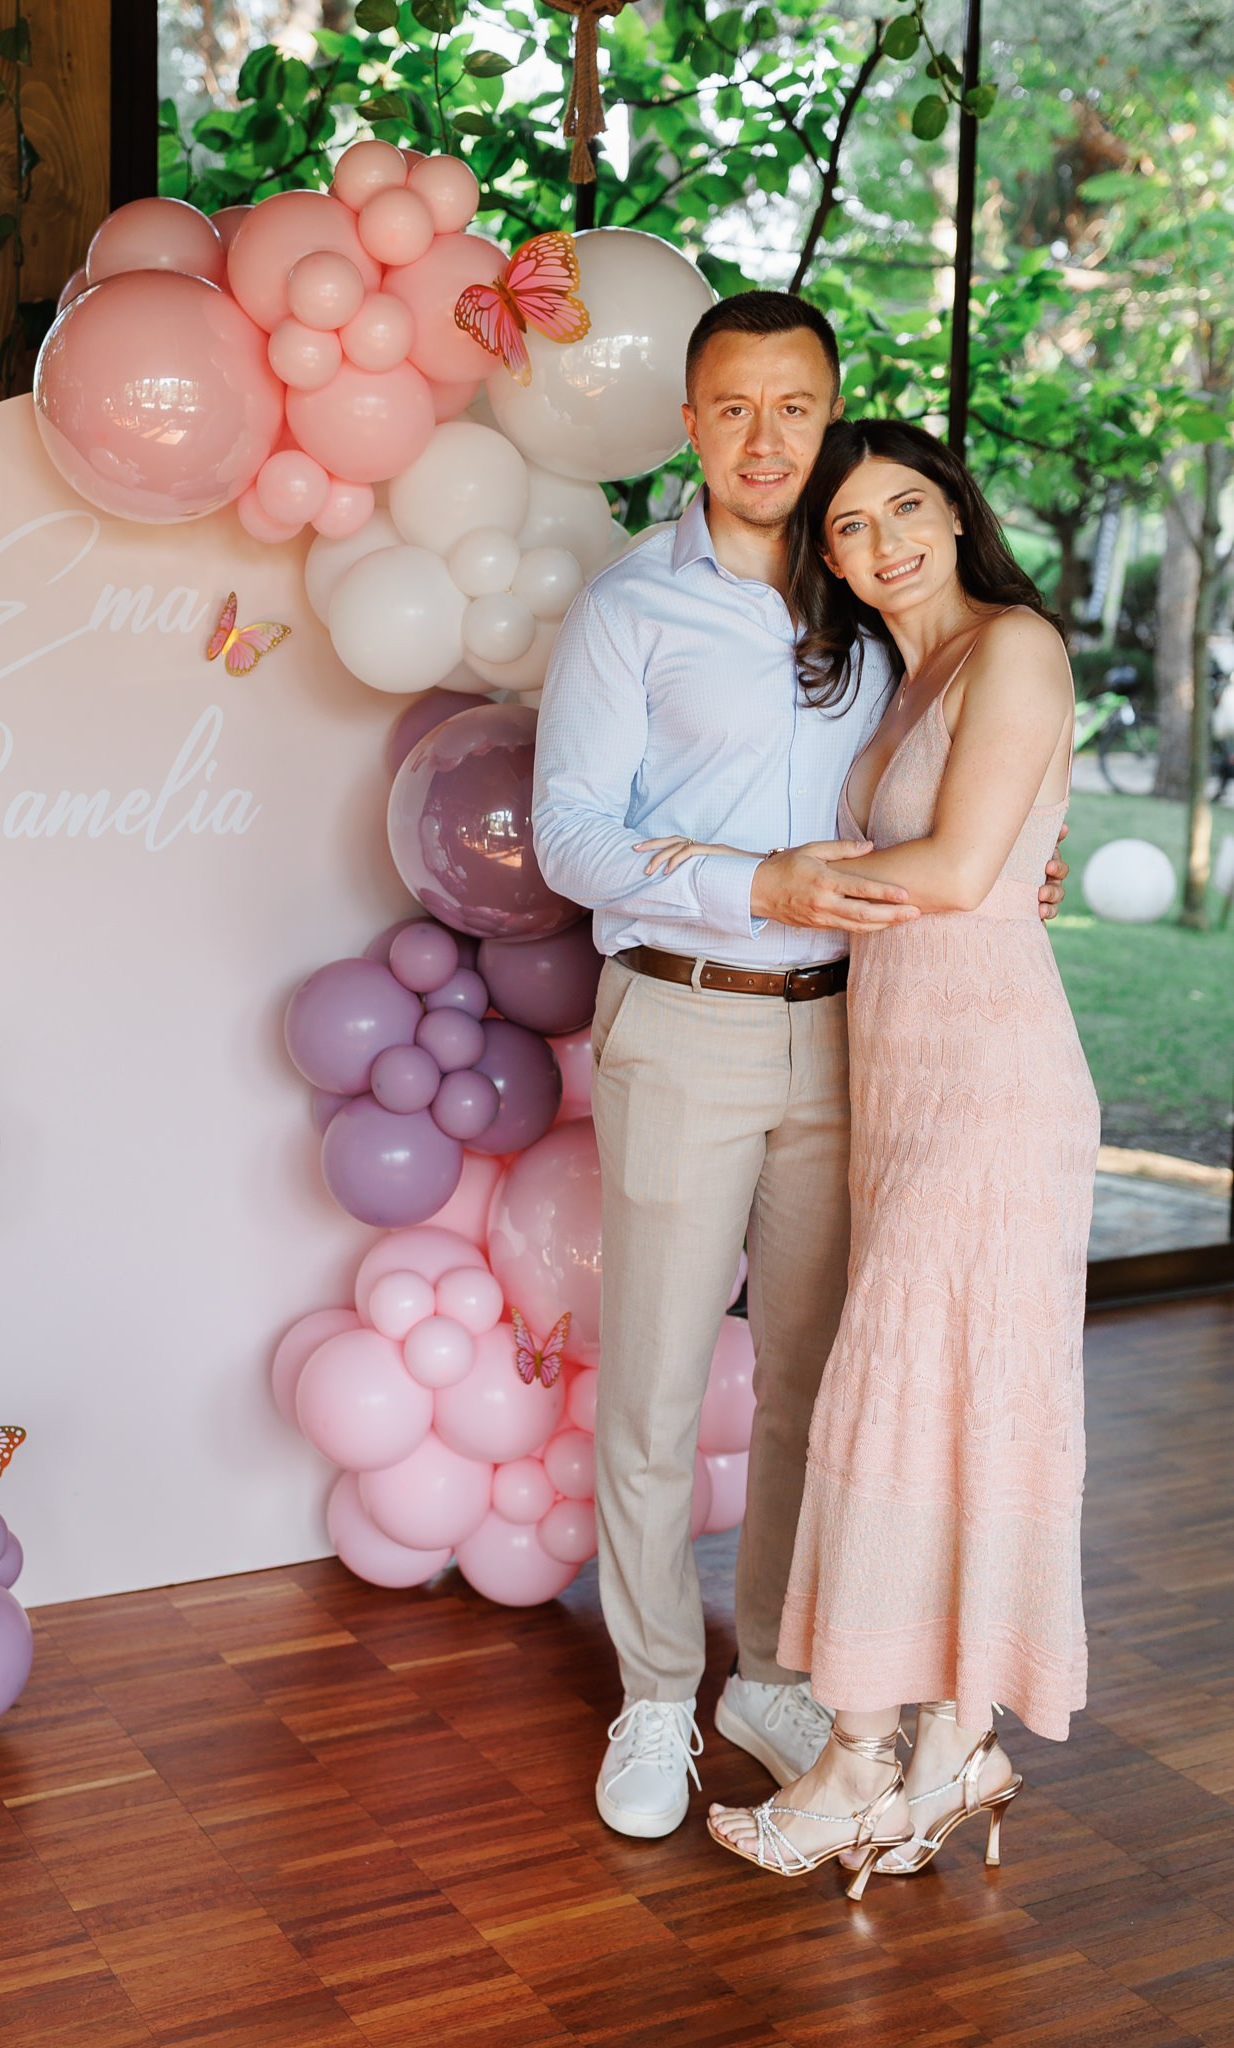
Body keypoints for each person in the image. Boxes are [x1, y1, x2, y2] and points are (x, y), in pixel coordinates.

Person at [531, 294, 1066, 1842]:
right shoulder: (628, 608)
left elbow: (962, 783)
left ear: (830, 414)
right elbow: (568, 836)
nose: (763, 438)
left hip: (858, 1035)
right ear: (689, 424)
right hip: (682, 1014)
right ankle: (652, 1694)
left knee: (813, 1387)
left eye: (794, 407)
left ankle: (768, 1673)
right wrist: (750, 883)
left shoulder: (877, 602)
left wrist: (1013, 860)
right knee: (652, 1384)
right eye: (732, 407)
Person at [654, 418, 1100, 1898]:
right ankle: (950, 1750)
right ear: (830, 559)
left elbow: (964, 871)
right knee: (933, 1412)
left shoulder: (1012, 645)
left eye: (906, 507)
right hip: (905, 1082)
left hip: (989, 1088)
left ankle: (861, 1759)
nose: (884, 542)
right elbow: (986, 851)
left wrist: (752, 885)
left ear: (954, 512)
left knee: (910, 1403)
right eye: (850, 526)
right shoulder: (906, 682)